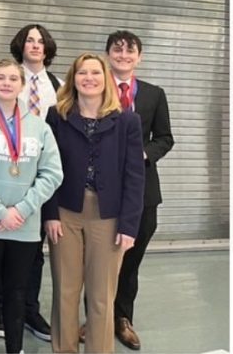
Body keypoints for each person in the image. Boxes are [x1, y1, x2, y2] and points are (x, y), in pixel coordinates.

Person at [0, 59, 63, 354]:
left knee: (17, 292)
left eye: (13, 78)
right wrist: (0, 211)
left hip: (24, 227)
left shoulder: (38, 126)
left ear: (21, 85)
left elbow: (53, 173)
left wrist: (22, 210)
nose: (6, 83)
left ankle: (15, 349)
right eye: (0, 78)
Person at [43, 52, 145, 354]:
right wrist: (49, 214)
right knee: (66, 291)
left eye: (95, 73)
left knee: (102, 295)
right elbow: (45, 169)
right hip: (64, 213)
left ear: (106, 80)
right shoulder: (56, 116)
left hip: (108, 215)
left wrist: (129, 225)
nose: (89, 78)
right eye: (82, 73)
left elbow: (134, 176)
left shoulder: (128, 121)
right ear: (73, 79)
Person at [106, 31, 175, 351]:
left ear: (140, 56)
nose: (123, 54)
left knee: (130, 260)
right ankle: (96, 317)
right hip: (101, 189)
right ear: (108, 54)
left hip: (143, 190)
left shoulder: (153, 93)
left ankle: (122, 319)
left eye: (130, 50)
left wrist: (144, 153)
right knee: (99, 258)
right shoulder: (94, 84)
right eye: (117, 49)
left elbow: (165, 137)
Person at [6, 23, 64, 342]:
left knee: (34, 248)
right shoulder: (7, 77)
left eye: (41, 41)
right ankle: (2, 307)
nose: (35, 45)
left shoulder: (60, 85)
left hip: (43, 173)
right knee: (2, 242)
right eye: (29, 40)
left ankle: (29, 308)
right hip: (8, 168)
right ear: (21, 45)